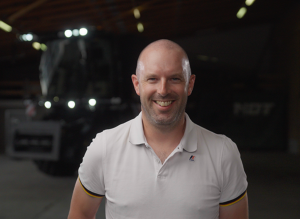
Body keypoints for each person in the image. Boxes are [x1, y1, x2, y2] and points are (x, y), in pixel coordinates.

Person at [68, 39, 248, 219]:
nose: (163, 90)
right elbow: (80, 214)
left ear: (190, 84)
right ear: (137, 84)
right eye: (153, 79)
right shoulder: (105, 147)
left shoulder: (223, 153)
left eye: (174, 79)